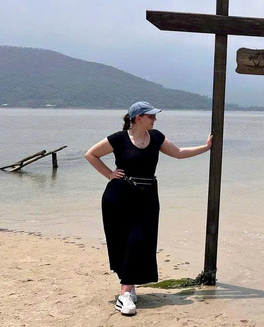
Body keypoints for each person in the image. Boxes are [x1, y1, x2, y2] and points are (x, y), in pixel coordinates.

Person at [84, 101, 213, 315]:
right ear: (138, 118)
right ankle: (126, 293)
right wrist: (109, 174)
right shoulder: (119, 138)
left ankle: (128, 289)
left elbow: (179, 152)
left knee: (141, 240)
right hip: (118, 196)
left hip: (147, 197)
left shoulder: (157, 137)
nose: (155, 119)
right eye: (151, 116)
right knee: (122, 242)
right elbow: (90, 154)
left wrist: (206, 147)